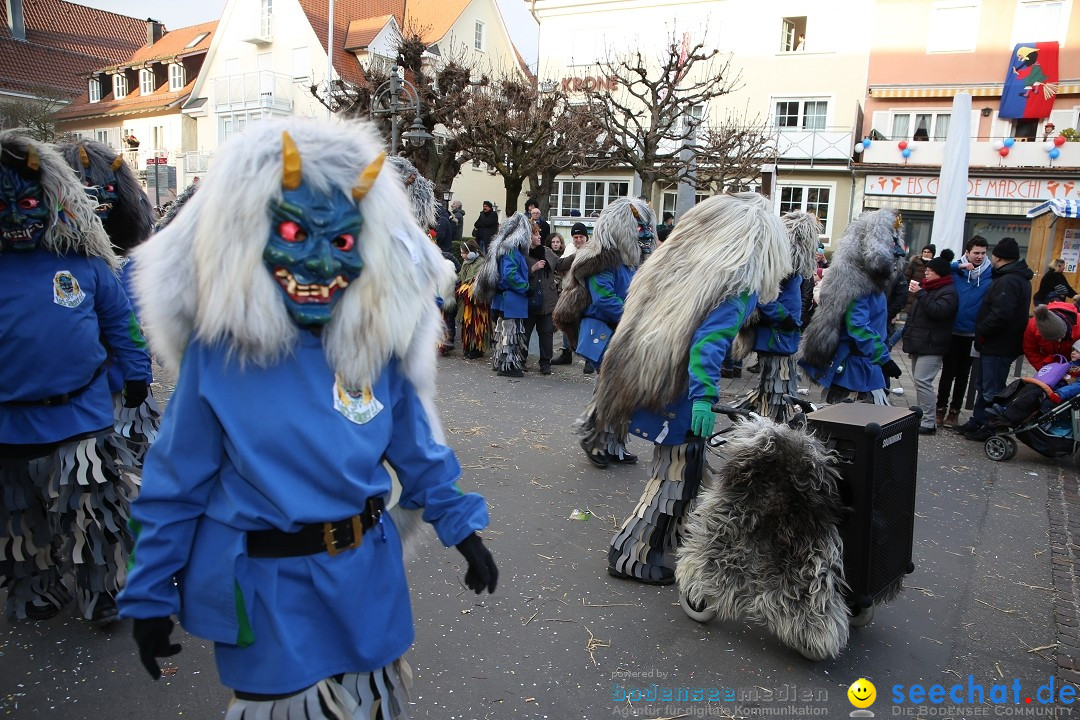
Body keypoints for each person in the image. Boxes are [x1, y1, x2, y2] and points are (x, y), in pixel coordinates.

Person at [117, 120, 497, 719]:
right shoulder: (221, 360)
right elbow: (174, 485)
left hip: (366, 582)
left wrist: (464, 531)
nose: (321, 263)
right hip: (270, 593)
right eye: (295, 233)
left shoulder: (371, 346)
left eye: (343, 244)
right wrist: (148, 593)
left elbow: (418, 451)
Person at [586, 193, 791, 584]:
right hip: (680, 395)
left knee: (683, 476)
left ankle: (666, 547)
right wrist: (704, 399)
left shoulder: (684, 274)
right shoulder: (737, 287)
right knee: (675, 477)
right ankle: (632, 554)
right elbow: (708, 345)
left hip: (657, 382)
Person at [0, 130, 151, 625]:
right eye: (6, 205)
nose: (19, 217)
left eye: (28, 201)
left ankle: (102, 593)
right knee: (20, 520)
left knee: (94, 512)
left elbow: (122, 323)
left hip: (82, 416)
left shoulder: (85, 265)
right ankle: (36, 588)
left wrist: (136, 375)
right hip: (9, 426)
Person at [59, 138, 160, 463]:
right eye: (85, 187)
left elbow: (150, 326)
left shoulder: (137, 263)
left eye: (107, 187)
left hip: (129, 398)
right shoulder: (55, 265)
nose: (98, 196)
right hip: (68, 406)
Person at [555, 198, 655, 467]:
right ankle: (594, 440)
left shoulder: (629, 261)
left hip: (622, 331)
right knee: (610, 388)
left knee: (622, 390)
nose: (644, 231)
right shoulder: (602, 261)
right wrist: (635, 317)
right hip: (604, 331)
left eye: (646, 226)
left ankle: (613, 444)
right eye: (638, 225)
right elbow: (605, 299)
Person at [799, 209, 905, 404]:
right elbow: (858, 326)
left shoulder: (874, 283)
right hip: (855, 369)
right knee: (845, 422)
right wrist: (883, 358)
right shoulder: (858, 284)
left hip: (867, 364)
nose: (896, 249)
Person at [737, 211, 819, 421]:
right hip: (776, 334)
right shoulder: (780, 266)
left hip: (786, 333)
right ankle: (760, 419)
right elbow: (765, 296)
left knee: (779, 386)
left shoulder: (794, 266)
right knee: (776, 386)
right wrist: (784, 317)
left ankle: (759, 416)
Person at [957, 237, 1033, 442]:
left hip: (998, 344)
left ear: (997, 257)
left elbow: (1001, 314)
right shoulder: (1016, 277)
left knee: (991, 388)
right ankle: (979, 420)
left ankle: (989, 427)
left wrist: (982, 331)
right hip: (997, 343)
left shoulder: (1009, 280)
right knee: (984, 385)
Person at [936, 236, 991, 427]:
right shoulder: (956, 269)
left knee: (963, 375)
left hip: (972, 333)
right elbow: (939, 267)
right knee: (947, 372)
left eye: (983, 253)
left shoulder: (989, 272)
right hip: (952, 331)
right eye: (976, 252)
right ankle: (940, 408)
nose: (979, 256)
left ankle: (954, 411)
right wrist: (959, 267)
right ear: (967, 252)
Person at [902, 256, 959, 434]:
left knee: (922, 381)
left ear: (939, 273)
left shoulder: (948, 292)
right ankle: (922, 417)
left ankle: (929, 421)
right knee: (919, 382)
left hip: (933, 344)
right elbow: (914, 316)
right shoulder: (927, 288)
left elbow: (938, 312)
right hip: (920, 343)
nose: (926, 272)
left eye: (930, 271)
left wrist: (920, 293)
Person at [474, 213, 531, 377]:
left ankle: (501, 362)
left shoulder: (503, 249)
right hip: (511, 300)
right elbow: (510, 275)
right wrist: (525, 287)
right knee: (510, 333)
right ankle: (508, 366)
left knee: (503, 333)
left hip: (503, 300)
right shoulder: (512, 251)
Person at [986, 341, 1080, 430]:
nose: (1073, 353)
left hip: (1059, 394)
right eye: (1073, 350)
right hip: (1051, 388)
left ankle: (1007, 417)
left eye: (1077, 351)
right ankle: (1005, 406)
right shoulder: (1070, 365)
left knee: (1034, 395)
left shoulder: (1076, 369)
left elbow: (1077, 386)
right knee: (1027, 387)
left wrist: (1060, 393)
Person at [524, 221, 560, 374]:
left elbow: (560, 264)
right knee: (525, 332)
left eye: (539, 233)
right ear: (528, 236)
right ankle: (520, 360)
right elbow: (514, 276)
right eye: (536, 233)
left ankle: (546, 363)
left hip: (547, 300)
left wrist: (578, 255)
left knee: (546, 333)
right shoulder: (521, 254)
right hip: (530, 300)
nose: (539, 236)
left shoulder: (546, 251)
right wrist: (533, 268)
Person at [551, 224, 589, 366]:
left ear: (586, 237)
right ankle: (566, 353)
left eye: (581, 237)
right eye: (575, 237)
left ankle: (588, 359)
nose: (578, 240)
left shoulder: (592, 249)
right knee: (567, 322)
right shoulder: (569, 249)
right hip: (568, 290)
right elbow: (561, 266)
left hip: (586, 292)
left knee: (585, 324)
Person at [456, 240, 491, 359]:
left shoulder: (481, 263)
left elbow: (479, 281)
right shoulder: (465, 263)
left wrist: (467, 288)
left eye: (463, 253)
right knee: (468, 325)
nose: (462, 255)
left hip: (478, 301)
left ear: (471, 253)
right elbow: (461, 277)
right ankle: (469, 346)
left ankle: (478, 348)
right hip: (467, 302)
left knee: (478, 325)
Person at [1023, 302, 1080, 370]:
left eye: (1061, 337)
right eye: (1054, 340)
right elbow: (1030, 351)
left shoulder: (1078, 323)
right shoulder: (1032, 327)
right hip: (1049, 364)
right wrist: (1044, 368)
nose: (1059, 341)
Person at [903, 243, 935, 313]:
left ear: (932, 254)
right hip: (911, 292)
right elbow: (907, 277)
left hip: (924, 294)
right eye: (925, 252)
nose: (926, 254)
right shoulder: (915, 262)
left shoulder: (934, 265)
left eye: (929, 252)